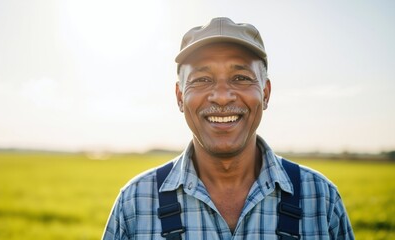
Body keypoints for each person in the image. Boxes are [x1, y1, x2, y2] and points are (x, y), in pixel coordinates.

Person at [102, 17, 354, 239]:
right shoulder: (134, 203)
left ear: (265, 93)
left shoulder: (321, 199)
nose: (222, 97)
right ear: (180, 96)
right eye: (202, 79)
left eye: (241, 78)